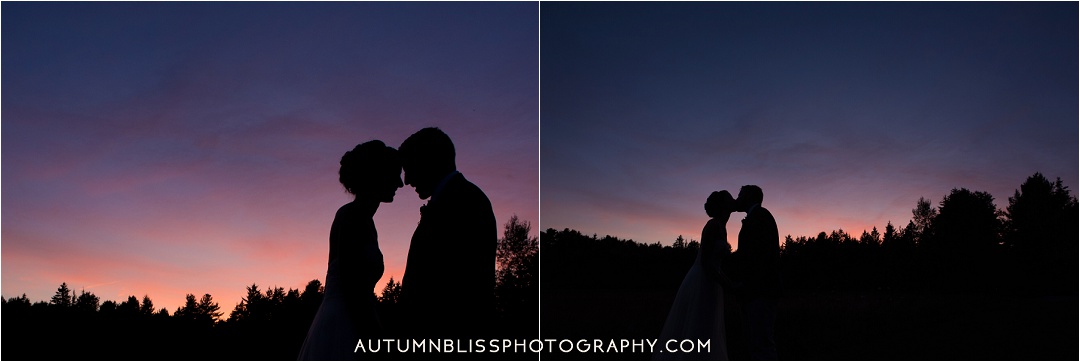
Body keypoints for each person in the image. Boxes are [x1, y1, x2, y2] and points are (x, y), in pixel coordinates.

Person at [298, 140, 402, 360]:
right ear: (376, 175)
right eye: (393, 175)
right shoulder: (351, 217)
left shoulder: (363, 219)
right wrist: (375, 339)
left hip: (354, 319)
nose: (400, 184)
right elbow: (353, 287)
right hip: (345, 325)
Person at [397, 127, 497, 339]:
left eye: (409, 168)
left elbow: (458, 283)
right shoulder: (454, 197)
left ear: (429, 161)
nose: (406, 180)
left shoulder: (466, 201)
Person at [655, 191, 738, 360]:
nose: (734, 200)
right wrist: (727, 284)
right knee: (698, 325)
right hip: (702, 280)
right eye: (729, 198)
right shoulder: (712, 225)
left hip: (713, 281)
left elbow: (716, 264)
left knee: (709, 326)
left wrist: (725, 282)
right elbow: (706, 262)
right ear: (723, 205)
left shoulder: (722, 226)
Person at [732, 185, 781, 360]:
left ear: (749, 197)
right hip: (757, 292)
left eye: (740, 195)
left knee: (762, 344)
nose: (737, 198)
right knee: (756, 342)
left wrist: (746, 284)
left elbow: (760, 257)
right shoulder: (758, 216)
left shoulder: (760, 216)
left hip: (761, 292)